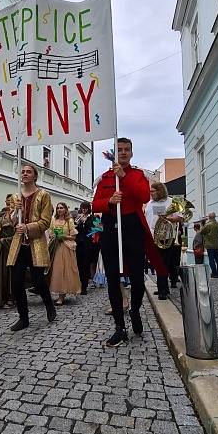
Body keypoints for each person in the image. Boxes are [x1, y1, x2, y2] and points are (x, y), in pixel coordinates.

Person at [92, 138, 166, 347]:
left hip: (132, 226)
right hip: (110, 226)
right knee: (113, 278)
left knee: (137, 277)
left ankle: (134, 309)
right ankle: (119, 326)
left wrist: (124, 177)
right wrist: (109, 201)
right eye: (120, 150)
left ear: (131, 153)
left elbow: (143, 196)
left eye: (127, 150)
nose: (123, 153)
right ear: (114, 153)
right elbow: (94, 204)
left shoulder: (137, 175)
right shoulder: (106, 177)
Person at [7, 163, 56, 331]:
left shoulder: (44, 195)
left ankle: (49, 304)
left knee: (38, 281)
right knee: (17, 281)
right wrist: (15, 213)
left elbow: (45, 222)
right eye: (23, 172)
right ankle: (23, 318)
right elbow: (11, 222)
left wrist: (27, 227)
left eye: (29, 172)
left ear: (35, 176)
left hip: (36, 243)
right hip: (19, 244)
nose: (25, 174)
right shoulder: (16, 197)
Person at [145, 182, 183, 300]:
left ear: (160, 191)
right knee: (157, 264)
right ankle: (162, 287)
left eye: (153, 191)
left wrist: (167, 218)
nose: (150, 193)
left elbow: (180, 217)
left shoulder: (172, 201)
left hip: (166, 237)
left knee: (164, 263)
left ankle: (163, 290)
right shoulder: (149, 204)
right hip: (152, 237)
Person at [49, 202, 81, 305]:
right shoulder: (53, 220)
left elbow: (73, 236)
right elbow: (50, 233)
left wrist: (63, 236)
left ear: (65, 209)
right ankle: (58, 293)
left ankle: (62, 296)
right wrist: (54, 236)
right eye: (58, 208)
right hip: (56, 247)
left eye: (61, 208)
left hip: (66, 247)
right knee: (56, 271)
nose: (59, 209)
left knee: (65, 270)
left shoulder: (69, 221)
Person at [75, 202, 96, 295]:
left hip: (88, 245)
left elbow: (100, 228)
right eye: (82, 208)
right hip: (79, 244)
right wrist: (78, 223)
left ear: (89, 209)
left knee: (85, 266)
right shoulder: (78, 218)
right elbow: (74, 229)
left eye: (85, 208)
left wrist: (89, 234)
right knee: (79, 265)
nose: (84, 210)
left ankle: (84, 286)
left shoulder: (93, 218)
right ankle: (79, 285)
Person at [201, 212, 218, 277]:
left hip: (210, 245)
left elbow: (202, 232)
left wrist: (203, 225)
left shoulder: (208, 225)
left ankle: (214, 273)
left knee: (211, 260)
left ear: (209, 217)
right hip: (217, 244)